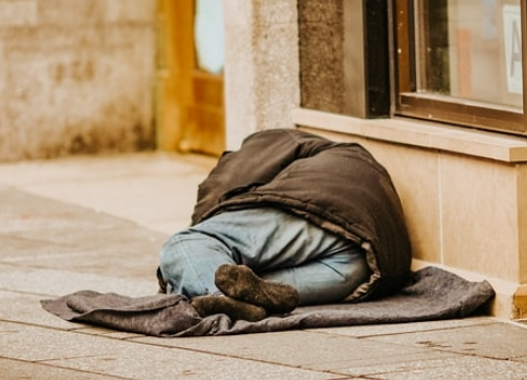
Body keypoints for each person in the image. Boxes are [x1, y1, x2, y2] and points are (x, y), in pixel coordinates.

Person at [158, 128, 413, 322]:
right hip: (365, 266)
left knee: (185, 243)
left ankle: (217, 297)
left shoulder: (263, 144)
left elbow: (218, 192)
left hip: (325, 212)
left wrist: (191, 253)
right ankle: (236, 301)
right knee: (248, 286)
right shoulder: (339, 156)